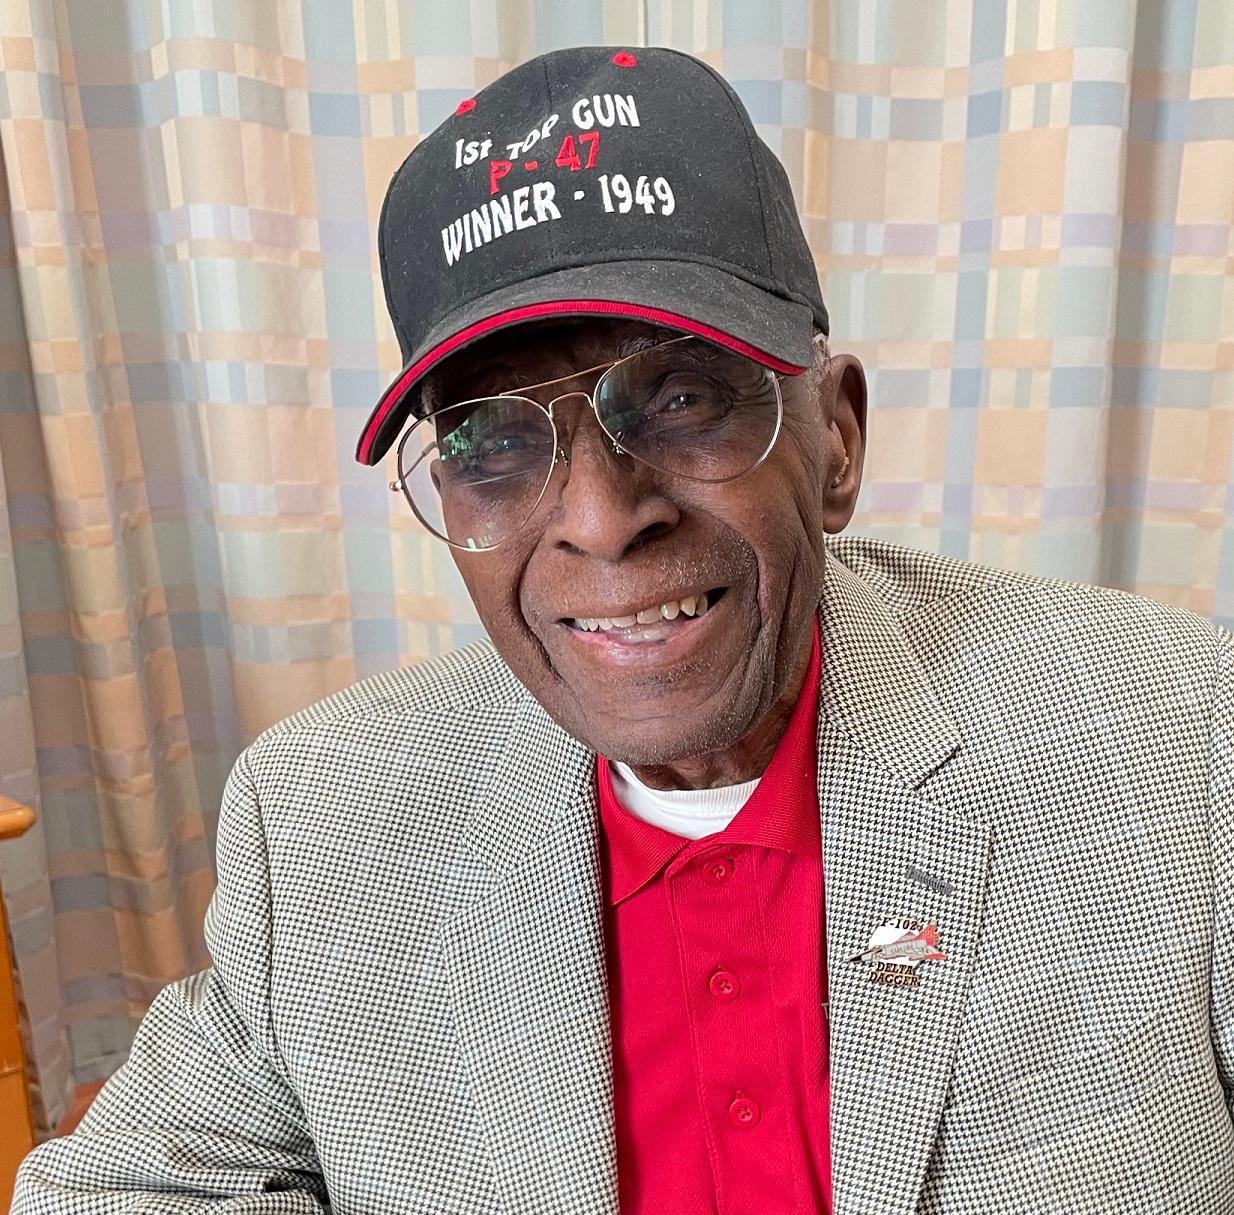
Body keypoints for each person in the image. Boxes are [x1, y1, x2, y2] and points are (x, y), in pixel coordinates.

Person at [12, 43, 1234, 1215]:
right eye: (491, 438)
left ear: (838, 443)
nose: (600, 521)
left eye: (684, 397)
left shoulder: (1183, 752)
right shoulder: (327, 820)